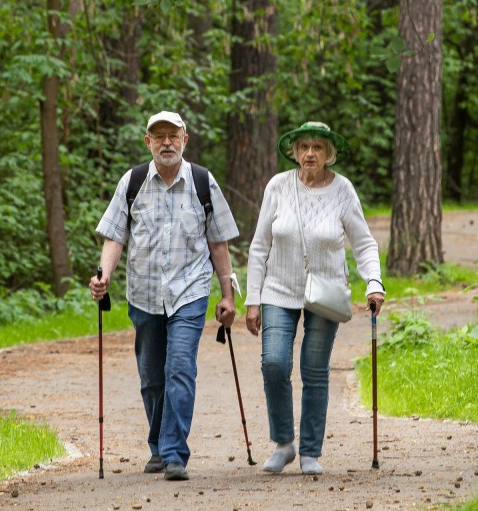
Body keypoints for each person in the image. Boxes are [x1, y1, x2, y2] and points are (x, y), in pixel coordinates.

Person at [90, 110, 239, 482]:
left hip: (189, 291)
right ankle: (158, 445)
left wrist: (227, 296)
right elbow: (115, 236)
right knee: (152, 377)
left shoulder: (203, 182)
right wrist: (104, 275)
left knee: (180, 369)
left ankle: (174, 453)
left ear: (185, 139)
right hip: (144, 292)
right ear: (148, 142)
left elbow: (218, 243)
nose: (166, 142)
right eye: (159, 137)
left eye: (173, 135)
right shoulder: (134, 181)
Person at [244, 121, 386, 475]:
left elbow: (364, 242)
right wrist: (252, 297)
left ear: (329, 154)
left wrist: (374, 282)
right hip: (278, 289)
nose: (310, 154)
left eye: (318, 148)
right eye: (304, 147)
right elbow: (260, 246)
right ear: (294, 151)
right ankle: (284, 443)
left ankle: (310, 451)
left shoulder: (342, 190)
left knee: (314, 369)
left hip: (326, 292)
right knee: (274, 363)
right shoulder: (278, 186)